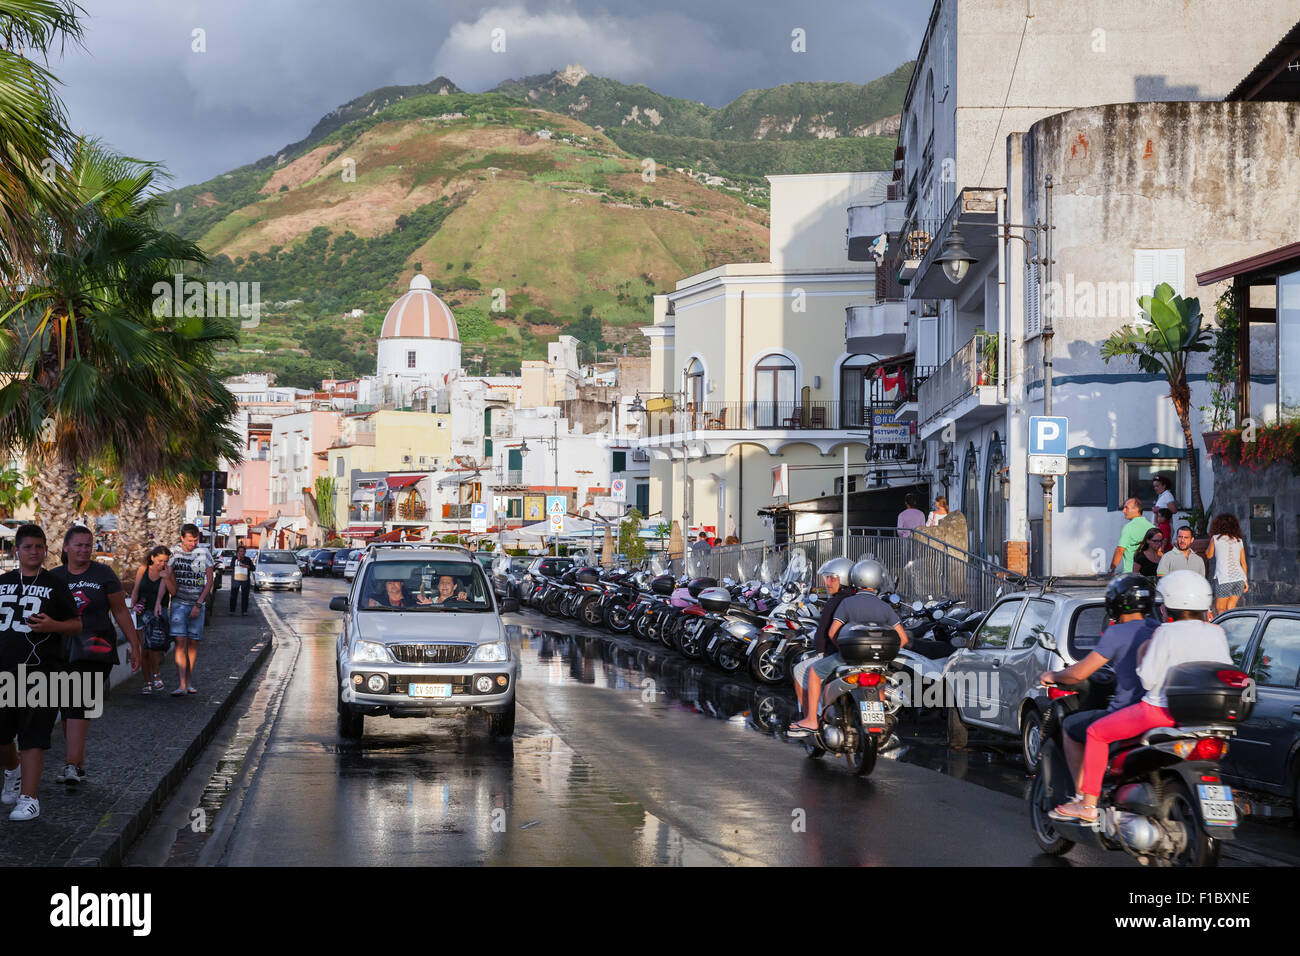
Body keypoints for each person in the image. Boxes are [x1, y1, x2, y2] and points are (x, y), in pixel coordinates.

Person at [1051, 571, 1231, 824]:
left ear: (1169, 604)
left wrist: (1143, 654)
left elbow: (1147, 679)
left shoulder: (1165, 633)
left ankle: (1088, 804)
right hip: (1198, 716)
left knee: (1095, 733)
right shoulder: (1216, 632)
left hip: (1159, 712)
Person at [1040, 574, 1160, 803]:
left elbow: (1079, 673)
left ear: (1116, 604)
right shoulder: (1159, 629)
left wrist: (1053, 675)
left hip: (1127, 712)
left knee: (1071, 726)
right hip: (1159, 712)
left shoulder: (1116, 632)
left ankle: (1082, 797)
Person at [0, 525, 82, 821]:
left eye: (39, 546)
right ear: (17, 551)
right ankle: (13, 771)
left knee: (33, 735)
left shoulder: (56, 584)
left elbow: (76, 625)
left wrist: (53, 627)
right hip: (4, 671)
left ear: (46, 549)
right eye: (28, 547)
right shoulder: (3, 582)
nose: (34, 552)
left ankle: (29, 799)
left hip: (43, 671)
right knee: (3, 736)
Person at [51, 526, 141, 787]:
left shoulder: (103, 574)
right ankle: (76, 764)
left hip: (95, 649)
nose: (84, 549)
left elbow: (121, 612)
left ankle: (71, 764)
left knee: (78, 704)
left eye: (88, 545)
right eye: (78, 545)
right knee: (69, 708)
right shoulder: (54, 577)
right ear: (66, 547)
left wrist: (135, 645)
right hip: (62, 650)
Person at [788, 559, 907, 735]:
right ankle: (879, 720)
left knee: (813, 672)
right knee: (878, 683)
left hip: (849, 657)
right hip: (877, 661)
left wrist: (845, 649)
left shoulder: (847, 603)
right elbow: (902, 638)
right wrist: (884, 655)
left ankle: (812, 720)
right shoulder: (885, 606)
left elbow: (832, 633)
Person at [790, 558, 856, 728]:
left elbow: (832, 632)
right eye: (827, 578)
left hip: (836, 654)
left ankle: (811, 718)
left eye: (832, 578)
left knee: (800, 670)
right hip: (849, 653)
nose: (827, 582)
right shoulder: (851, 598)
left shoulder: (838, 601)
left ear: (843, 579)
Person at [162, 524, 215, 697]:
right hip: (178, 603)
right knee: (179, 643)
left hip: (196, 604)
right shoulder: (174, 553)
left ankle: (189, 681)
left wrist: (199, 604)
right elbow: (166, 576)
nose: (193, 543)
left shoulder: (203, 553)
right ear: (182, 538)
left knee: (192, 644)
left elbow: (209, 581)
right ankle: (181, 683)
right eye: (190, 540)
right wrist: (158, 602)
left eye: (195, 540)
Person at [129, 546, 171, 693]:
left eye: (165, 561)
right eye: (160, 560)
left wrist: (158, 605)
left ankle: (156, 674)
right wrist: (132, 609)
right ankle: (147, 682)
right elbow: (135, 590)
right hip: (142, 612)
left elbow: (165, 591)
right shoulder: (143, 569)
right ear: (152, 557)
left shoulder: (167, 571)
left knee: (154, 648)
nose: (162, 564)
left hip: (157, 613)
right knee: (144, 649)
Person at [1204, 513, 1248, 616]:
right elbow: (1244, 563)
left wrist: (1207, 550)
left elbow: (1209, 555)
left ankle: (1224, 631)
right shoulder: (1239, 540)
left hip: (1224, 579)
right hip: (1239, 579)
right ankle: (1231, 631)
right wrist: (1246, 581)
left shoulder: (1216, 538)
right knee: (1231, 609)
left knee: (1220, 609)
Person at [1108, 497, 1154, 575]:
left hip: (1131, 573)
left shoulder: (1128, 527)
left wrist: (1112, 569)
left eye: (1126, 508)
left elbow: (1120, 550)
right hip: (1149, 572)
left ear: (1136, 509)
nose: (1123, 511)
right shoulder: (1152, 527)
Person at [366, 578, 433, 608]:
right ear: (385, 585)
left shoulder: (413, 602)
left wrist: (428, 607)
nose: (392, 584)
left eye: (395, 580)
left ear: (402, 583)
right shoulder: (374, 601)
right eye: (389, 582)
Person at [228, 545, 254, 616]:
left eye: (243, 551)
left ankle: (244, 610)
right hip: (236, 579)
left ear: (245, 552)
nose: (242, 552)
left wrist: (247, 566)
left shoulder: (248, 559)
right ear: (237, 552)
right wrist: (238, 560)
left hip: (245, 579)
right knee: (234, 594)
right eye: (240, 551)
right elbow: (231, 566)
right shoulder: (234, 558)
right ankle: (232, 610)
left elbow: (253, 568)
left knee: (245, 595)